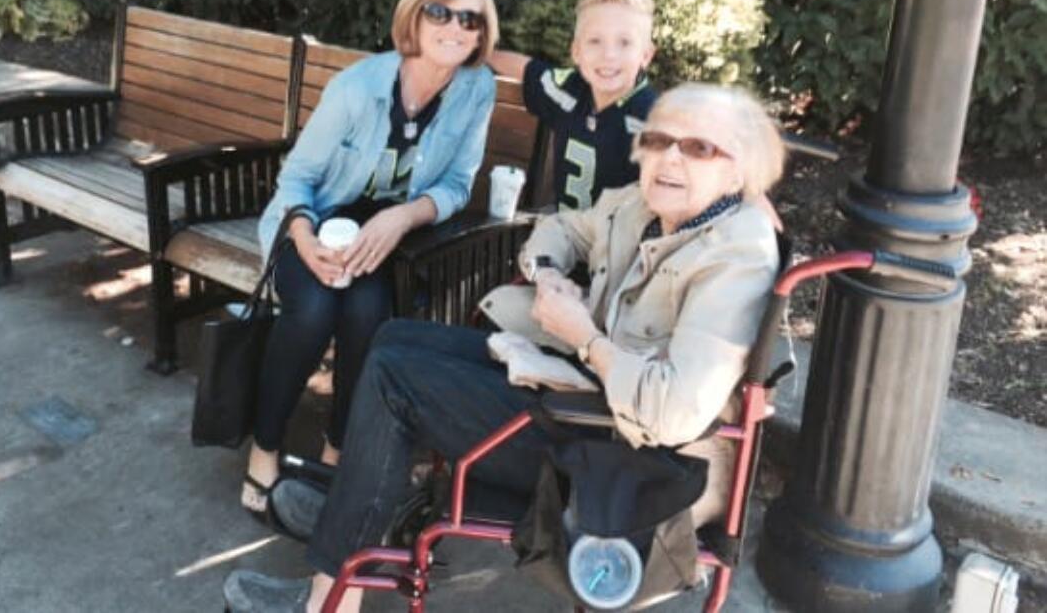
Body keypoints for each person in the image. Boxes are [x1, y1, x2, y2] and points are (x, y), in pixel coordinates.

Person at [223, 82, 786, 613]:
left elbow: (673, 412)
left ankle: (333, 589)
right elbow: (560, 228)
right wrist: (547, 276)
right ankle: (361, 510)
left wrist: (583, 337)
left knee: (396, 379)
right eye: (658, 140)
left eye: (697, 147)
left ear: (737, 170)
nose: (670, 158)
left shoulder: (736, 258)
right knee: (392, 338)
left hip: (624, 461)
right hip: (585, 402)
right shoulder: (644, 206)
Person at [242, 0, 500, 518]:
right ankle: (265, 447)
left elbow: (458, 184)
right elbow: (296, 178)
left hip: (388, 236)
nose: (455, 28)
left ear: (483, 31)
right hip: (315, 217)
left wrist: (404, 216)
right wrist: (304, 238)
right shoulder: (357, 89)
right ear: (416, 14)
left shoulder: (477, 89)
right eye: (440, 11)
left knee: (368, 316)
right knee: (310, 312)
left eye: (470, 19)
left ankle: (337, 454)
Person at [490, 0, 658, 211]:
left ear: (646, 56)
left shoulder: (652, 119)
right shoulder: (569, 89)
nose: (609, 54)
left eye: (624, 43)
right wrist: (479, 55)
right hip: (564, 235)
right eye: (595, 41)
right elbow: (526, 68)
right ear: (576, 51)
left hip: (623, 244)